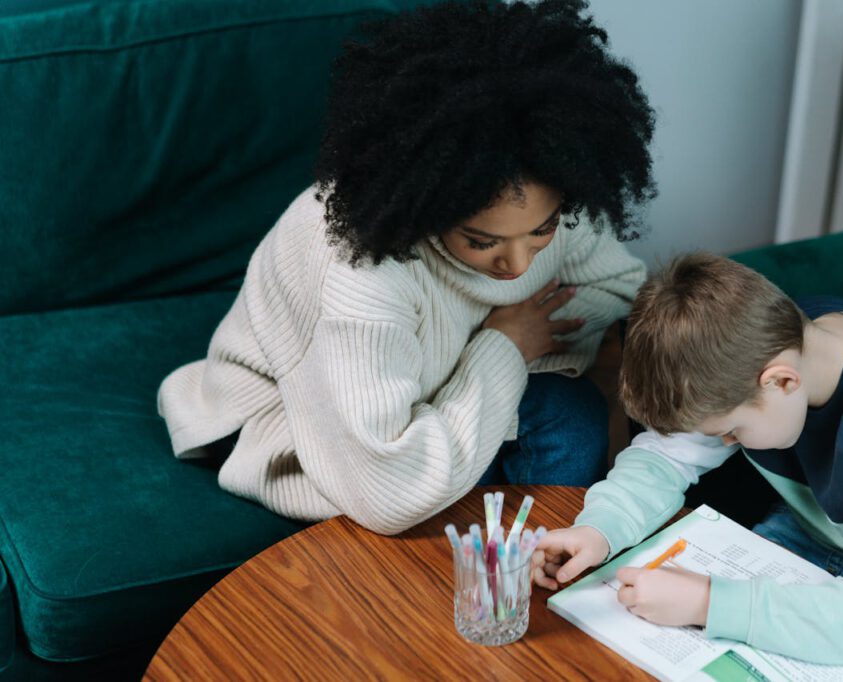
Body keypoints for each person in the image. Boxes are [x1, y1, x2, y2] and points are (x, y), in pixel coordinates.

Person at [157, 0, 656, 535]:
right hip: (299, 413)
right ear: (430, 205)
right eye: (482, 240)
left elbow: (618, 285)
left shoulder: (547, 184)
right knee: (454, 488)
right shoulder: (360, 267)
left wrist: (515, 338)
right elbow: (389, 491)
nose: (516, 265)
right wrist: (504, 344)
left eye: (542, 231)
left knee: (576, 420)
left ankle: (548, 572)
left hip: (435, 394)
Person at [533, 253, 843, 664]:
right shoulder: (767, 344)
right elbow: (666, 456)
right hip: (819, 532)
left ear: (782, 381)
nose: (724, 444)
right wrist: (599, 529)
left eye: (730, 431)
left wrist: (706, 602)